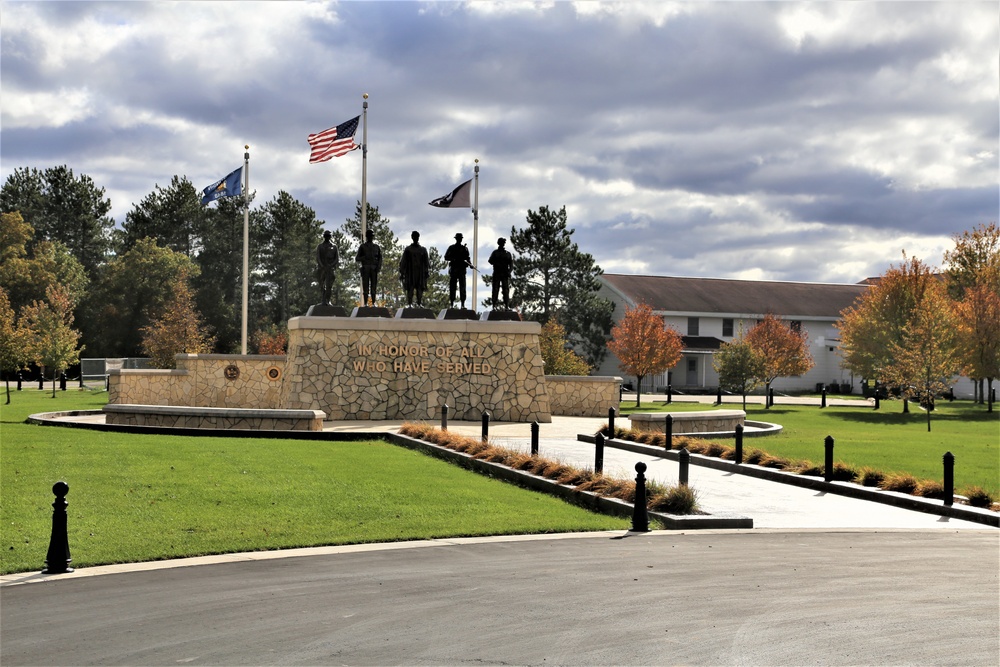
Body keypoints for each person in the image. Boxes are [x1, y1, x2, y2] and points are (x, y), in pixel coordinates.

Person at [399, 230, 430, 307]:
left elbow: (426, 262)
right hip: (410, 272)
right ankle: (410, 303)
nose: (416, 238)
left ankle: (419, 303)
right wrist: (402, 272)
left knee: (420, 288)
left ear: (418, 238)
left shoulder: (423, 249)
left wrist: (426, 271)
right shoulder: (408, 249)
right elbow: (403, 261)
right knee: (410, 288)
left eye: (417, 237)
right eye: (414, 237)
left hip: (420, 272)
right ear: (412, 237)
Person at [443, 232, 474, 309]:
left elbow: (467, 258)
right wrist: (454, 258)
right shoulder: (451, 248)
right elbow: (446, 257)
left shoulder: (464, 249)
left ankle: (463, 304)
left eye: (460, 238)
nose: (459, 240)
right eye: (458, 238)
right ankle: (452, 304)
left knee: (462, 287)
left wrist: (470, 264)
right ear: (456, 239)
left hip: (462, 270)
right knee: (452, 287)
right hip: (454, 270)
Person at [355, 229, 382, 306]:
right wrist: (364, 257)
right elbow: (357, 258)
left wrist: (378, 267)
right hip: (366, 268)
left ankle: (373, 303)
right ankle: (366, 303)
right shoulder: (362, 246)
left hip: (374, 269)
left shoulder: (376, 247)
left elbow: (380, 258)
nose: (371, 237)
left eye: (372, 236)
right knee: (365, 287)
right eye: (369, 236)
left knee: (374, 287)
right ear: (367, 236)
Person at [488, 237, 514, 310]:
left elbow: (511, 265)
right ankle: (494, 305)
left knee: (505, 290)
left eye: (503, 243)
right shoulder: (495, 253)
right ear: (499, 243)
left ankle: (506, 305)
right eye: (501, 242)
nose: (503, 244)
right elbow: (490, 261)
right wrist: (497, 263)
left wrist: (509, 272)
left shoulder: (507, 254)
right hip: (497, 273)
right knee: (495, 289)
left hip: (504, 274)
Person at [315, 230, 340, 305]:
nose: (327, 237)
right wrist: (322, 266)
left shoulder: (334, 247)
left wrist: (331, 265)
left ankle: (328, 300)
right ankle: (323, 300)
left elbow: (336, 258)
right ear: (324, 236)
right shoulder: (320, 246)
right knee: (322, 285)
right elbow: (318, 257)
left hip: (330, 269)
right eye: (326, 235)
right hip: (322, 269)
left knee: (329, 286)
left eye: (329, 236)